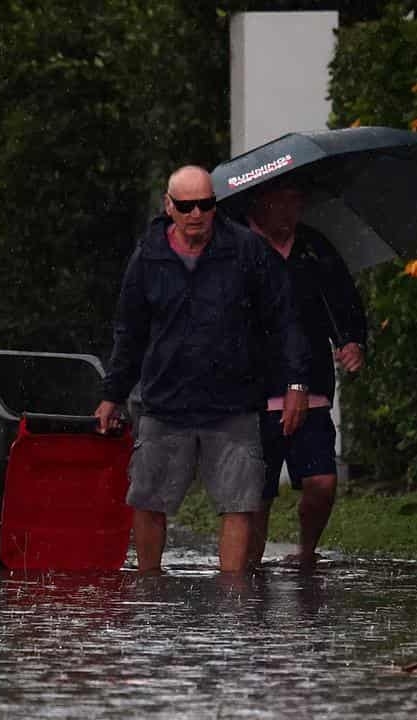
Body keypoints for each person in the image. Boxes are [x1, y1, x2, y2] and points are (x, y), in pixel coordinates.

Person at [95, 166, 310, 575]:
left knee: (239, 502)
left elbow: (285, 319)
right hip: (165, 401)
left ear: (216, 205)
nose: (197, 214)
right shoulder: (148, 256)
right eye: (187, 206)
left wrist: (296, 383)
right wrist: (112, 394)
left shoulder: (246, 249)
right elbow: (130, 331)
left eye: (206, 204)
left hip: (233, 402)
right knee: (148, 499)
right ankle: (149, 585)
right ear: (169, 207)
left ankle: (233, 595)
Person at [245, 180, 368, 571]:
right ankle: (250, 565)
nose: (289, 211)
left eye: (296, 202)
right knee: (257, 492)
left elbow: (344, 301)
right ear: (260, 203)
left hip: (312, 384)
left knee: (321, 482)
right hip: (254, 390)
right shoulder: (237, 248)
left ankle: (307, 551)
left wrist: (352, 342)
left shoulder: (314, 248)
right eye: (280, 202)